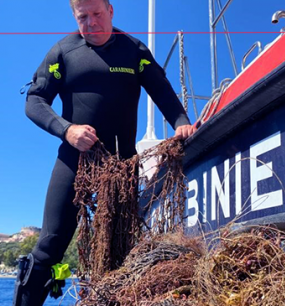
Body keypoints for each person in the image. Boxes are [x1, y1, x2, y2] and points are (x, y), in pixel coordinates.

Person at [13, 0, 196, 304]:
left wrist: (182, 124)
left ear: (111, 11)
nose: (91, 23)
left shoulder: (134, 51)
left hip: (123, 165)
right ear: (74, 15)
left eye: (97, 14)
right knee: (49, 247)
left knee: (119, 249)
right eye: (82, 16)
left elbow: (162, 91)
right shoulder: (63, 51)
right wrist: (67, 130)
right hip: (75, 161)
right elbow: (34, 101)